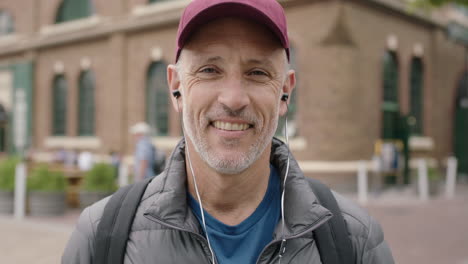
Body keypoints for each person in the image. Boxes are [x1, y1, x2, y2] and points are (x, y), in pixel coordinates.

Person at [62, 0, 394, 263]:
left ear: (285, 92)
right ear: (176, 87)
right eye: (209, 70)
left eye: (257, 72)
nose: (233, 98)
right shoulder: (102, 236)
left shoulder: (354, 239)